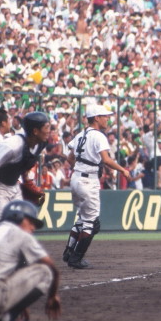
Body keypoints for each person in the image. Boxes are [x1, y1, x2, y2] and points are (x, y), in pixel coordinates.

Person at [63, 104, 131, 269]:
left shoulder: (80, 134)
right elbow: (106, 160)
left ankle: (69, 252)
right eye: (104, 116)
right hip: (88, 181)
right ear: (96, 118)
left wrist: (81, 167)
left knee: (82, 219)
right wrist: (123, 170)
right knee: (91, 223)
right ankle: (76, 259)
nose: (107, 118)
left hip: (76, 177)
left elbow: (70, 158)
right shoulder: (99, 136)